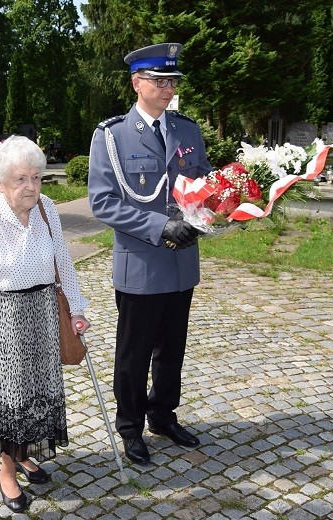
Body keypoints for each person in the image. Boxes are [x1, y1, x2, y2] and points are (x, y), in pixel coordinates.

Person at [0, 135, 90, 513]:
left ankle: (24, 457)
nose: (30, 187)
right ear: (0, 182)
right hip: (2, 317)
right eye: (20, 179)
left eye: (36, 177)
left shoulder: (48, 209)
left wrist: (76, 308)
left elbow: (64, 262)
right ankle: (6, 473)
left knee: (38, 393)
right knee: (12, 402)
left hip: (43, 310)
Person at [87, 43, 213, 465]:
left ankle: (162, 414)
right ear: (136, 83)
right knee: (134, 354)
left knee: (172, 348)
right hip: (141, 264)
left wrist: (217, 210)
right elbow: (103, 202)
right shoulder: (112, 134)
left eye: (173, 81)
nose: (168, 88)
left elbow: (204, 185)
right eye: (159, 80)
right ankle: (130, 427)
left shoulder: (187, 130)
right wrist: (161, 227)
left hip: (181, 265)